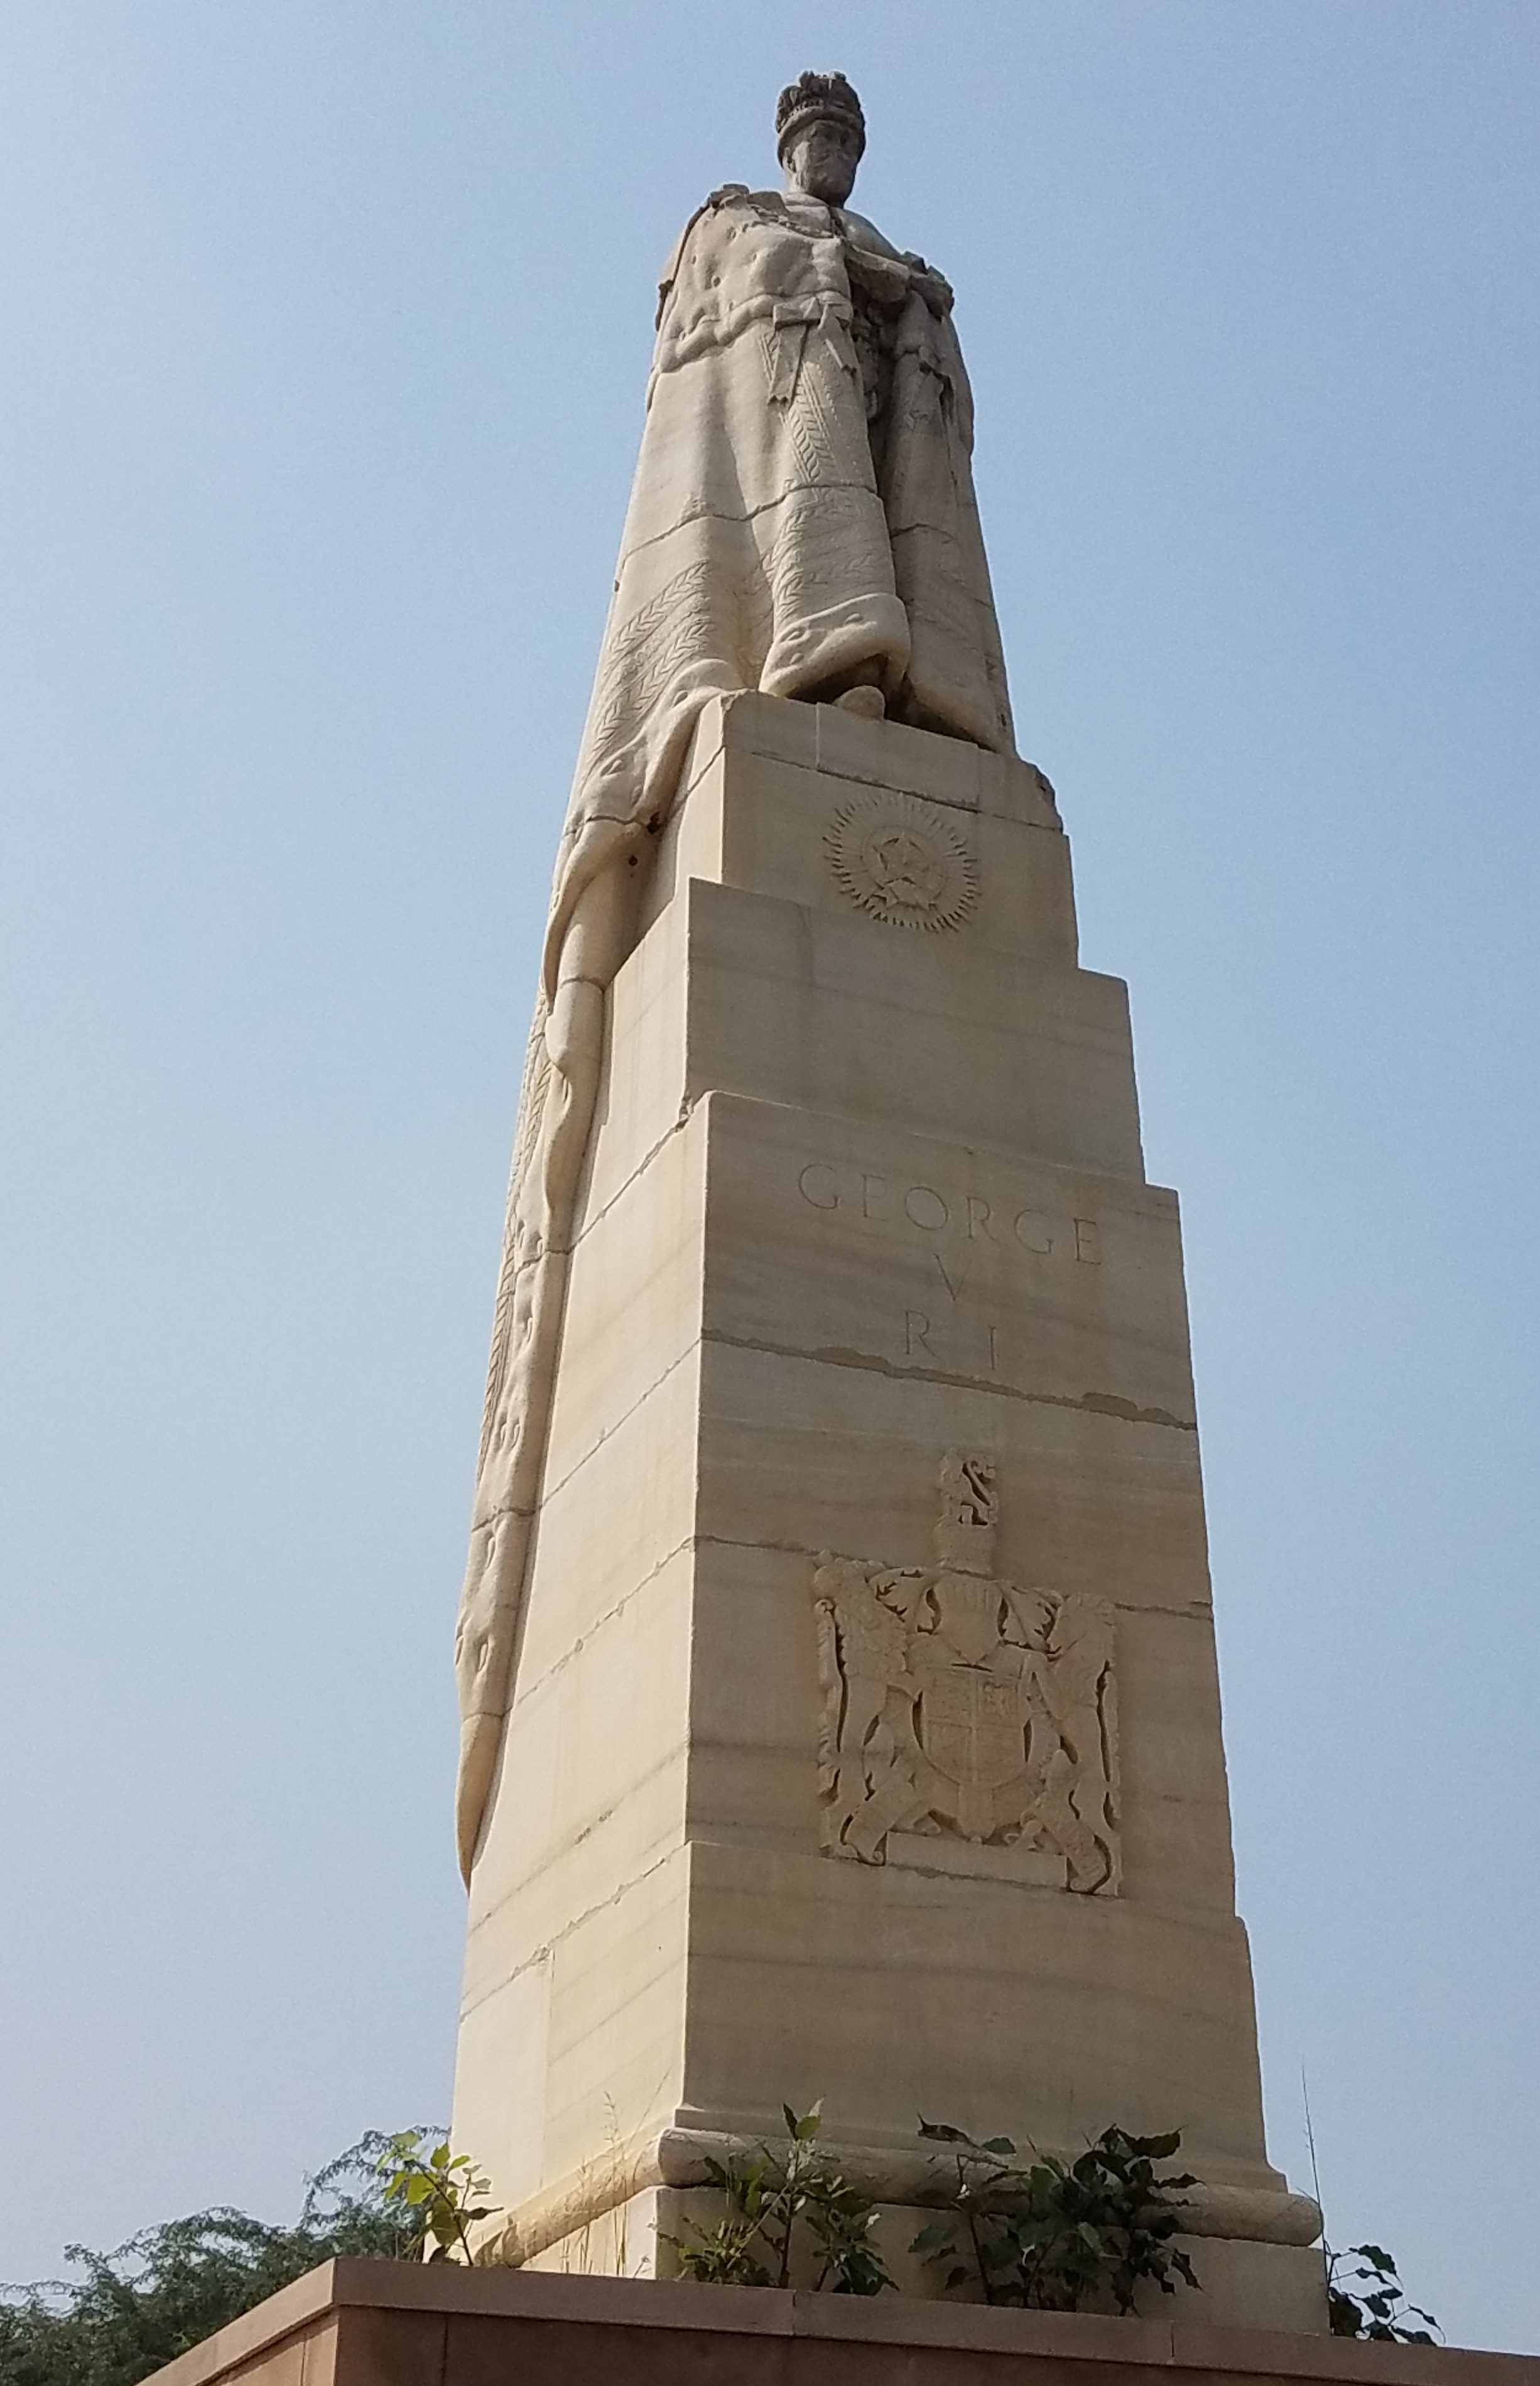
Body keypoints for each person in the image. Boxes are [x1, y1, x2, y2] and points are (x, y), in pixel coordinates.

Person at [453, 77, 1014, 1877]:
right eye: (812, 138)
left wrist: (900, 303)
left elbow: (926, 371)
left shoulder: (894, 266)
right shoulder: (730, 234)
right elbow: (709, 382)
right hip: (767, 511)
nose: (827, 160)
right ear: (786, 147)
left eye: (846, 140)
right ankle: (810, 646)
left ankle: (886, 667)